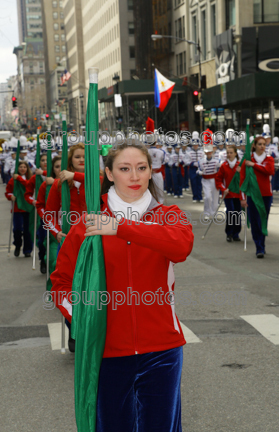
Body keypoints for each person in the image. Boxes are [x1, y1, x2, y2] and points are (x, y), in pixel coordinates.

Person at [50, 141, 193, 432]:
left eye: (142, 168)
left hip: (162, 350)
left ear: (150, 171)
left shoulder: (169, 215)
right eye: (125, 169)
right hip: (107, 352)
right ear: (110, 174)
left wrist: (119, 227)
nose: (135, 176)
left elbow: (181, 247)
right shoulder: (86, 225)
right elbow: (61, 282)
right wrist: (83, 319)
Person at [240, 136, 275, 258]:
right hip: (252, 195)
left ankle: (262, 244)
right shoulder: (247, 160)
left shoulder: (269, 158)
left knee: (263, 221)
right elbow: (243, 179)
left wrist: (254, 165)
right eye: (259, 144)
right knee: (255, 222)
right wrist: (242, 198)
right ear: (254, 145)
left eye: (264, 144)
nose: (262, 146)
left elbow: (270, 171)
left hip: (266, 195)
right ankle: (259, 247)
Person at [45, 143, 86, 242]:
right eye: (77, 157)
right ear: (70, 160)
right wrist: (57, 232)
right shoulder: (60, 183)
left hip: (94, 237)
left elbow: (99, 180)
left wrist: (75, 176)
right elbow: (49, 214)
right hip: (69, 237)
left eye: (85, 157)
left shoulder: (98, 180)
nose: (81, 160)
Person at [5, 161, 33, 257]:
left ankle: (27, 250)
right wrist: (11, 196)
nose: (22, 168)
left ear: (27, 169)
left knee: (27, 231)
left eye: (24, 167)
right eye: (20, 167)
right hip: (17, 209)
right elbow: (8, 192)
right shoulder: (13, 180)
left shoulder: (29, 179)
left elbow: (29, 185)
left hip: (28, 208)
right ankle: (17, 245)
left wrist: (19, 178)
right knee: (17, 229)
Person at [216, 145, 242, 242]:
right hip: (228, 194)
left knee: (237, 213)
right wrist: (223, 189)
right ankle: (229, 233)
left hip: (238, 194)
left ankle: (236, 233)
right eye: (228, 153)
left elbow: (244, 179)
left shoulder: (239, 165)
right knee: (230, 212)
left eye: (231, 152)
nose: (229, 154)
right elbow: (218, 179)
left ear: (235, 153)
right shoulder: (223, 165)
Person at [197, 144, 220, 218]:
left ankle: (214, 213)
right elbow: (198, 170)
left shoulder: (217, 161)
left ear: (212, 152)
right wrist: (199, 172)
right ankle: (206, 213)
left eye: (210, 152)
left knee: (215, 198)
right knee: (207, 197)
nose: (209, 153)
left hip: (214, 180)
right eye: (207, 152)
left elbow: (220, 171)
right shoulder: (201, 161)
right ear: (205, 153)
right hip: (205, 180)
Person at [188, 132, 204, 202]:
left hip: (200, 168)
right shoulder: (189, 152)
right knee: (193, 183)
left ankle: (200, 197)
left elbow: (204, 159)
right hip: (192, 169)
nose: (195, 146)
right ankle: (195, 197)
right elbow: (186, 161)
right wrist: (193, 163)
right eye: (194, 145)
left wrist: (200, 164)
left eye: (196, 145)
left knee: (200, 183)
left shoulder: (202, 152)